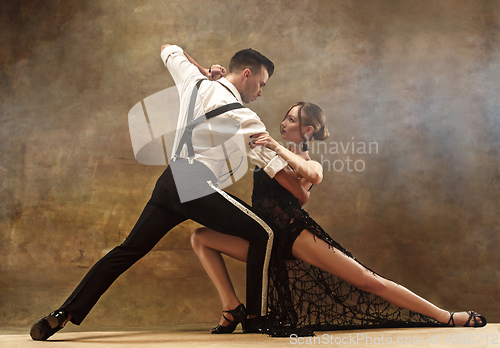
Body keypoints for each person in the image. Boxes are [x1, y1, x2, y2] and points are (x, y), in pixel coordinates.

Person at [30, 44, 302, 340]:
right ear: (247, 75)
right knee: (265, 233)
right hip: (194, 185)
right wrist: (306, 182)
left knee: (128, 250)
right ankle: (254, 317)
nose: (261, 92)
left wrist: (203, 71)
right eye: (261, 84)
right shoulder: (244, 117)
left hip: (169, 182)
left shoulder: (194, 82)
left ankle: (62, 314)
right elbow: (279, 171)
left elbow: (169, 49)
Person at [190, 102, 487, 335]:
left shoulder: (305, 161)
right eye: (286, 117)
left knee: (368, 281)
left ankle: (445, 317)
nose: (283, 123)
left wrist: (276, 147)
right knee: (200, 238)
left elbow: (314, 176)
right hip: (263, 239)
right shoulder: (265, 155)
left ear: (307, 130)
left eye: (292, 120)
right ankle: (232, 307)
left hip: (293, 236)